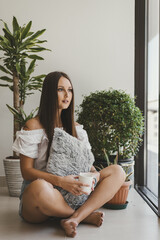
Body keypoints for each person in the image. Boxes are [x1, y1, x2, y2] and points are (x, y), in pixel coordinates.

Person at [13, 71, 126, 238]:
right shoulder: (33, 126)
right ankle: (82, 215)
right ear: (49, 93)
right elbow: (26, 171)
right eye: (60, 89)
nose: (67, 95)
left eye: (70, 90)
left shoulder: (77, 129)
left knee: (118, 171)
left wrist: (94, 175)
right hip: (40, 199)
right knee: (39, 186)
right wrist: (60, 181)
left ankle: (74, 218)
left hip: (73, 194)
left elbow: (89, 166)